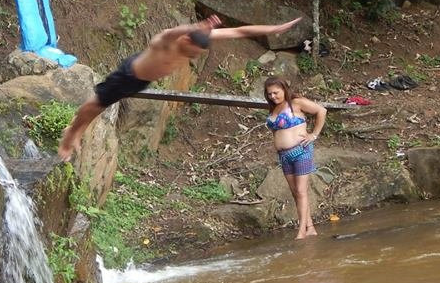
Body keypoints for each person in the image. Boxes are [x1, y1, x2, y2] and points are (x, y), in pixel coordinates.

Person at [57, 15, 302, 159]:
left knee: (102, 105)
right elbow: (170, 31)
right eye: (191, 51)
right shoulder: (165, 42)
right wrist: (195, 27)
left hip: (142, 81)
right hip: (129, 75)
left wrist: (273, 29)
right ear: (185, 39)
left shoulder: (200, 40)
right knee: (96, 104)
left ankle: (77, 131)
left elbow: (239, 31)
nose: (191, 56)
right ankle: (70, 136)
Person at [263, 76, 327, 239]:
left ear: (284, 89)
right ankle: (310, 227)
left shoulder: (296, 103)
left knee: (301, 191)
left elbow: (321, 111)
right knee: (295, 193)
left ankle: (301, 231)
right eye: (269, 94)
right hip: (284, 156)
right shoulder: (273, 109)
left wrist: (314, 135)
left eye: (276, 93)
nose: (273, 96)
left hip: (301, 151)